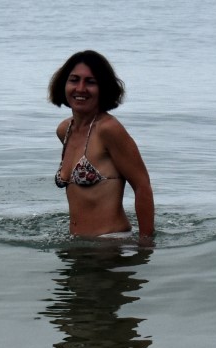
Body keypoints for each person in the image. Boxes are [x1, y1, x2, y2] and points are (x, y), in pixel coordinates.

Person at [48, 51, 154, 244]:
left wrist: (145, 244)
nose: (80, 88)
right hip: (77, 245)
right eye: (74, 80)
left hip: (110, 243)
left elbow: (142, 185)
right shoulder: (65, 130)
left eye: (90, 82)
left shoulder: (108, 129)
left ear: (103, 87)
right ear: (63, 84)